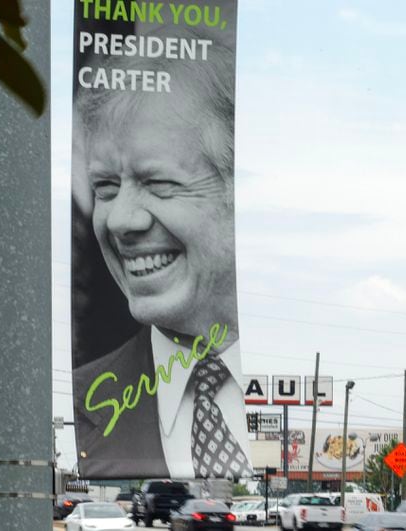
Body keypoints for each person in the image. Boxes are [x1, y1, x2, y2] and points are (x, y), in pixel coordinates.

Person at [71, 31, 251, 480]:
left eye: (158, 183)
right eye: (106, 189)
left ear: (235, 194)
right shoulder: (83, 399)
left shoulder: (301, 381)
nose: (118, 221)